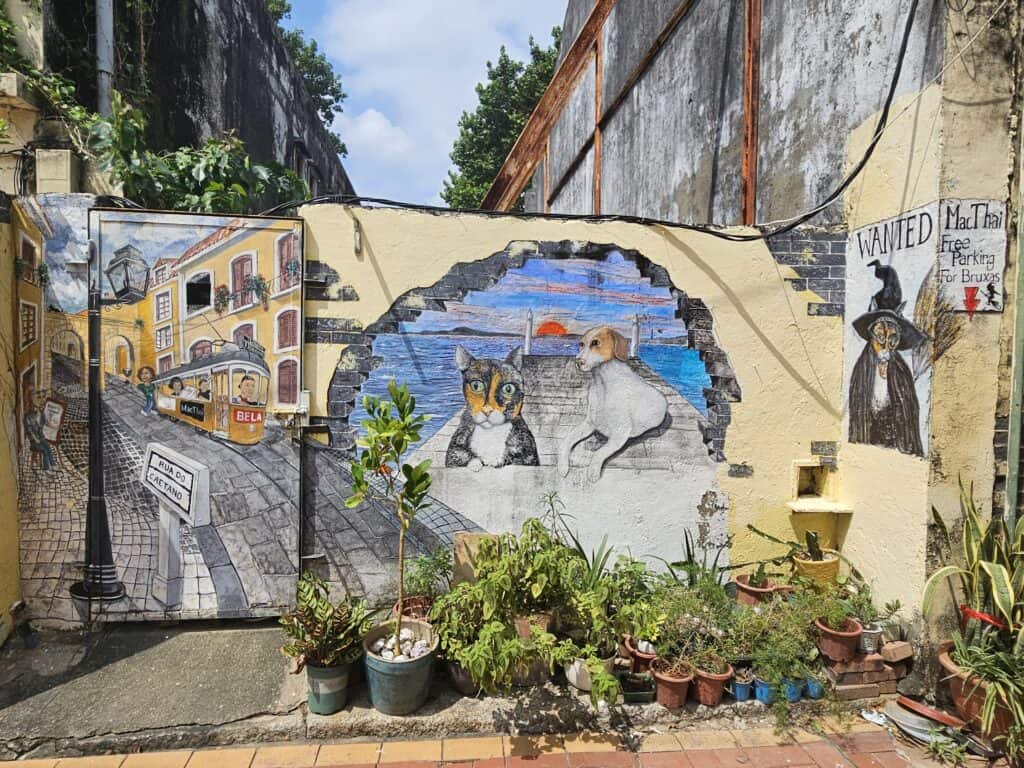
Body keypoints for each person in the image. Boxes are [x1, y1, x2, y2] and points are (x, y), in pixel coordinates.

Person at [848, 262, 926, 456]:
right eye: (881, 337)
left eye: (892, 339)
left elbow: (909, 420)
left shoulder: (902, 373)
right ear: (872, 337)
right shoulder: (861, 371)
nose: (886, 346)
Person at [24, 388, 57, 472]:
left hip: (41, 438)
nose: (42, 400)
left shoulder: (41, 412)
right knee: (44, 451)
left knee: (48, 448)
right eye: (38, 398)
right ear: (32, 400)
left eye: (43, 397)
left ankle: (53, 465)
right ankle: (46, 468)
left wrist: (54, 426)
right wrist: (35, 439)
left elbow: (46, 422)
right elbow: (29, 430)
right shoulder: (29, 415)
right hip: (34, 441)